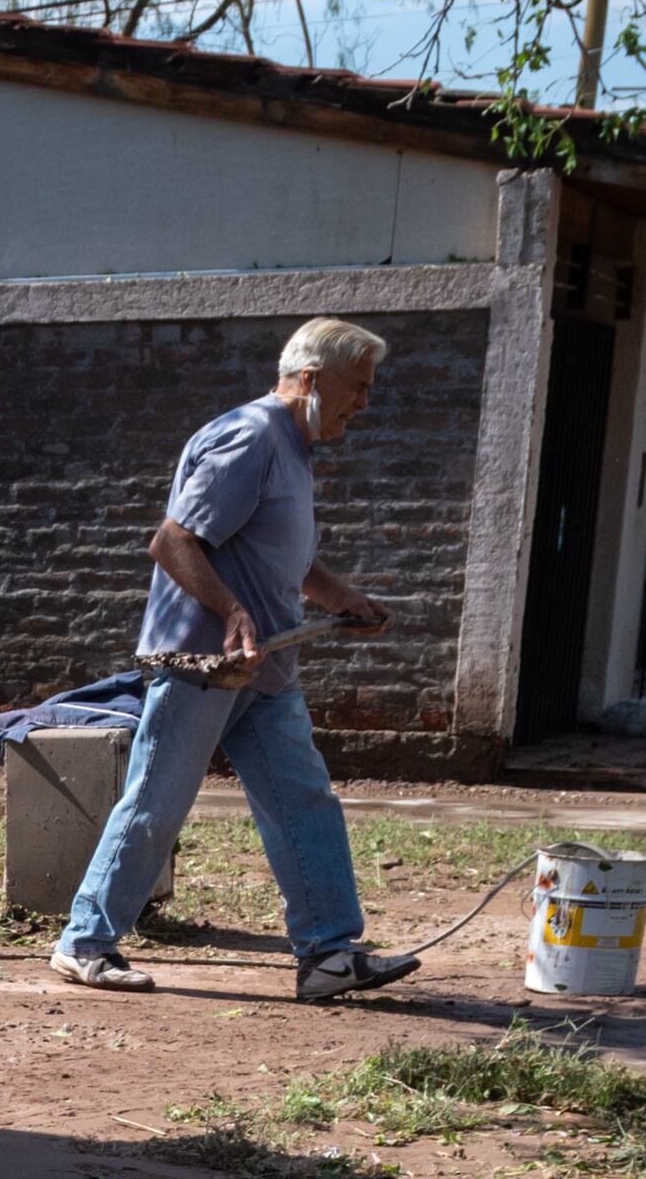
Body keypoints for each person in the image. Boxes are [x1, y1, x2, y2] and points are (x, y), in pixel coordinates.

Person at [50, 317, 429, 1004]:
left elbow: (278, 551)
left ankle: (329, 955)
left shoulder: (297, 447)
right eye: (359, 388)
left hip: (266, 672)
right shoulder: (252, 436)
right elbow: (173, 542)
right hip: (205, 664)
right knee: (157, 803)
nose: (365, 403)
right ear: (313, 379)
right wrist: (231, 611)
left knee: (304, 803)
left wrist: (339, 596)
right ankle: (84, 942)